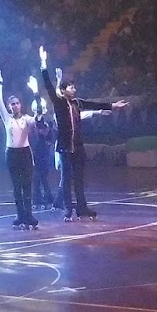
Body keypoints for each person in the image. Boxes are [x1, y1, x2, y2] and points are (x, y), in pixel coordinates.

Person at [39, 45, 127, 221]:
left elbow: (93, 104)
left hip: (78, 147)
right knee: (66, 180)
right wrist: (43, 64)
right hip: (65, 148)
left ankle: (82, 208)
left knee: (79, 179)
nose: (74, 89)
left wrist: (112, 106)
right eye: (70, 87)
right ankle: (68, 209)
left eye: (74, 87)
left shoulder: (77, 103)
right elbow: (48, 86)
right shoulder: (59, 103)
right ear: (63, 90)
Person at [0, 72, 39, 230]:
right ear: (9, 107)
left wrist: (36, 93)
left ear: (21, 105)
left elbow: (38, 118)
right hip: (12, 154)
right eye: (12, 104)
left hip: (25, 153)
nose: (15, 106)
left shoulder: (26, 119)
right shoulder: (7, 119)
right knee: (16, 186)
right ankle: (20, 215)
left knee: (27, 186)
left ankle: (29, 214)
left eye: (17, 103)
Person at [28, 79, 57, 212]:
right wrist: (36, 93)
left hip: (44, 151)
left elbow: (51, 135)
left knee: (42, 175)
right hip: (36, 151)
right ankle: (40, 197)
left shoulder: (47, 121)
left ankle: (42, 196)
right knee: (38, 175)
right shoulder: (35, 120)